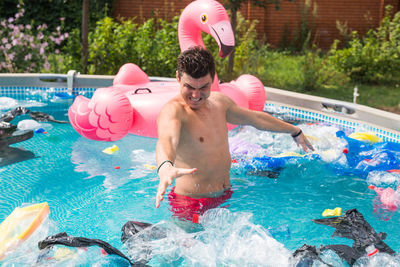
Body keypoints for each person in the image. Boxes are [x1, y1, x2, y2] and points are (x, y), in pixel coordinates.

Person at [155, 46, 314, 220]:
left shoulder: (220, 103)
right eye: (189, 87)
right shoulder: (174, 111)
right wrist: (165, 167)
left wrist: (294, 130)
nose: (196, 94)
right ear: (178, 78)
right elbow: (167, 141)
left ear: (213, 79)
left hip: (225, 195)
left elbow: (256, 119)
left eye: (203, 87)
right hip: (191, 204)